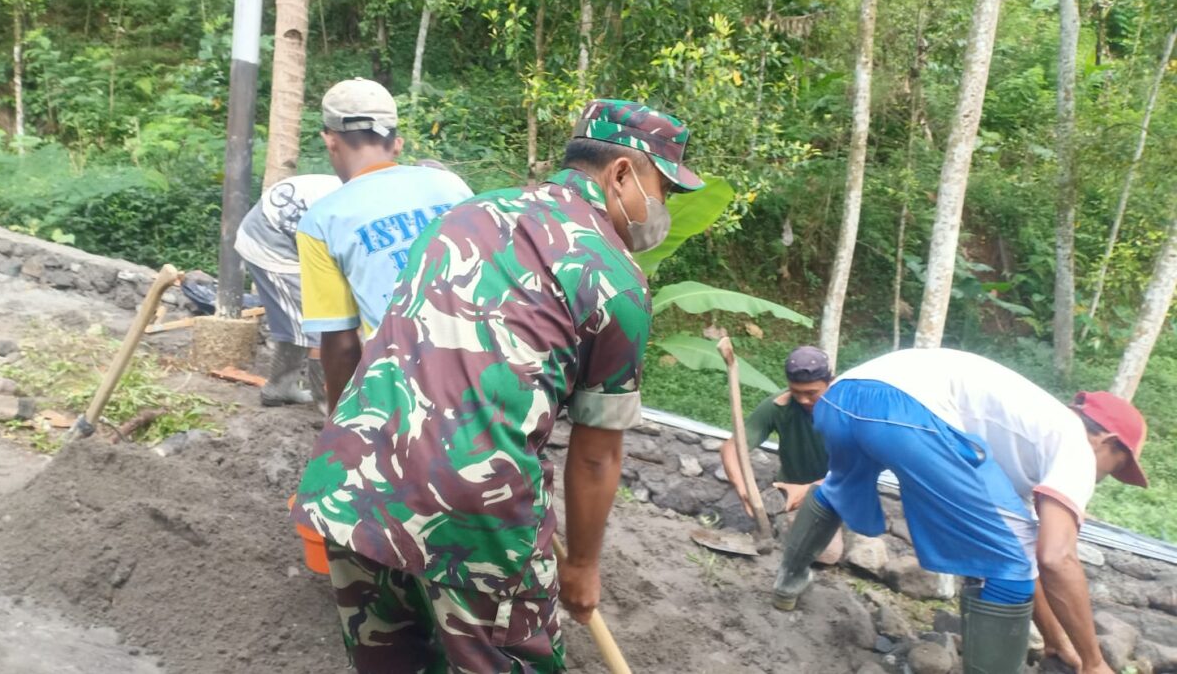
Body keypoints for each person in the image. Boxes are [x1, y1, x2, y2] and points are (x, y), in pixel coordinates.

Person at [292, 99, 704, 672]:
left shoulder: (469, 213)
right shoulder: (615, 281)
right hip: (474, 513)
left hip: (351, 481)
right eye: (662, 189)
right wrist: (581, 567)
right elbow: (595, 456)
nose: (660, 208)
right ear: (621, 173)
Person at [772, 348, 1149, 674]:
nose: (1104, 478)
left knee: (838, 485)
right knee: (1008, 565)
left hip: (842, 398)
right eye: (1115, 468)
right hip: (907, 411)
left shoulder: (1028, 433)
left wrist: (1055, 639)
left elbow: (1030, 555)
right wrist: (1094, 661)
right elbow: (1056, 559)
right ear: (1108, 442)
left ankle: (786, 587)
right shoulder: (1075, 447)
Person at [296, 77, 473, 412]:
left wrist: (340, 426)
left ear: (330, 140)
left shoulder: (322, 220)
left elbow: (342, 343)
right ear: (398, 143)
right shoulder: (452, 187)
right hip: (491, 371)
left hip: (408, 391)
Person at [720, 345, 842, 563]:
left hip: (834, 491)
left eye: (812, 393)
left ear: (829, 383)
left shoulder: (848, 410)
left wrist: (807, 490)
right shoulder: (778, 406)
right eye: (796, 392)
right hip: (785, 490)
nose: (803, 400)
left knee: (826, 555)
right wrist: (743, 489)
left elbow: (854, 473)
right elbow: (730, 448)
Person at [234, 173, 341, 406]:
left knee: (298, 320)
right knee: (321, 324)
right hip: (270, 240)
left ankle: (279, 388)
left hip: (293, 236)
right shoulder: (361, 205)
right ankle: (330, 406)